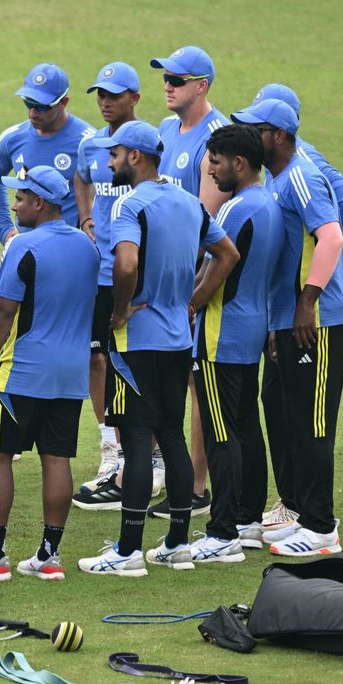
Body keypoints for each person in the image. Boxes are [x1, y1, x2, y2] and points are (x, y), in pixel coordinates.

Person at [75, 121, 238, 577]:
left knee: (136, 442)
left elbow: (125, 262)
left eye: (116, 154)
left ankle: (128, 551)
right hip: (177, 339)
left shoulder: (132, 204)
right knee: (171, 436)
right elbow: (227, 255)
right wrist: (192, 303)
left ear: (136, 157)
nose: (109, 162)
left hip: (138, 340)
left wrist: (122, 309)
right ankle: (177, 543)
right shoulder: (190, 203)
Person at [0, 166, 97, 582]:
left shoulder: (24, 246)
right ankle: (49, 556)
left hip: (22, 373)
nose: (13, 205)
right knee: (57, 459)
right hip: (71, 374)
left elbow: (3, 310)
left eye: (21, 198)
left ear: (40, 203)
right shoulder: (88, 247)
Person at [231, 100, 343, 557]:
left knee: (313, 422)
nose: (249, 138)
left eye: (256, 130)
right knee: (290, 415)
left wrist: (307, 301)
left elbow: (333, 235)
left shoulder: (300, 176)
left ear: (279, 135)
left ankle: (322, 527)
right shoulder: (280, 179)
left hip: (318, 322)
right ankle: (302, 513)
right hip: (290, 320)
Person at [187, 124, 282, 561]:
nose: (211, 171)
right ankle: (247, 520)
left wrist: (189, 307)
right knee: (245, 427)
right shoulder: (270, 204)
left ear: (238, 163)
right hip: (250, 332)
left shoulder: (233, 210)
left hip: (219, 335)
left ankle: (221, 532)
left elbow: (216, 267)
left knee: (220, 431)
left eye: (216, 163)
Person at [147, 46, 231, 517]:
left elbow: (207, 220)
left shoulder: (215, 136)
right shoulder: (165, 130)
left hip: (192, 276)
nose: (169, 84)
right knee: (171, 375)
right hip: (164, 275)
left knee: (196, 378)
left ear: (203, 85)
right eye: (165, 77)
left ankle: (197, 487)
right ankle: (180, 477)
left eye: (179, 78)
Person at [72, 62, 138, 496]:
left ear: (134, 97)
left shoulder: (147, 143)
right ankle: (110, 445)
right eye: (100, 94)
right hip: (97, 271)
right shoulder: (90, 144)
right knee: (97, 358)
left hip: (134, 272)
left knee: (133, 362)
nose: (105, 101)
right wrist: (84, 214)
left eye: (114, 94)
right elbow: (81, 178)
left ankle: (143, 453)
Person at [0, 63, 95, 243]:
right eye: (28, 103)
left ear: (64, 102)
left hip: (69, 251)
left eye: (41, 107)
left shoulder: (87, 142)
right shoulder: (12, 138)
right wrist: (4, 229)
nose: (32, 113)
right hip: (25, 252)